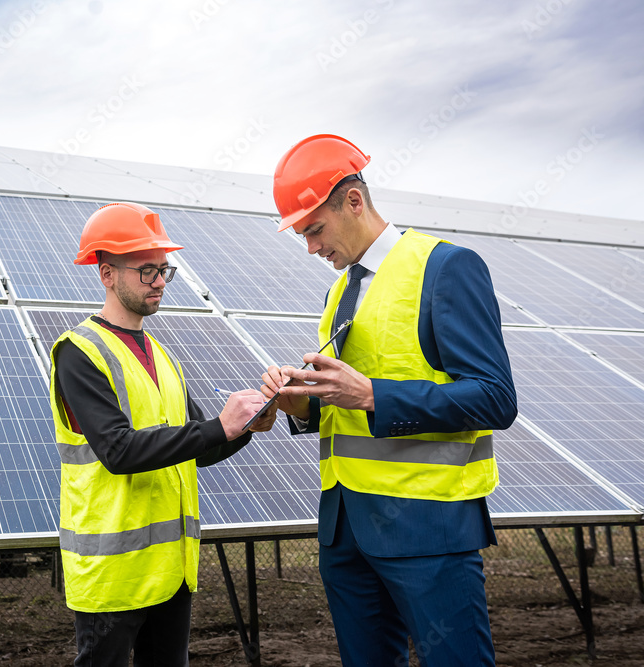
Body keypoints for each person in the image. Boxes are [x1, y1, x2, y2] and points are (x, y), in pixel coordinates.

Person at [260, 134, 517, 666]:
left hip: (427, 528)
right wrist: (302, 404)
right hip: (345, 531)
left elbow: (495, 398)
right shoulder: (341, 289)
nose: (310, 247)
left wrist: (374, 395)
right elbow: (345, 403)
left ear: (354, 200)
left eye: (314, 229)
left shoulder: (446, 268)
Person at [49, 201, 277, 666]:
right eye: (146, 270)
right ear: (106, 273)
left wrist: (244, 428)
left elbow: (201, 449)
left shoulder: (164, 356)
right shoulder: (79, 353)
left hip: (171, 571)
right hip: (113, 576)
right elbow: (118, 451)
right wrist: (218, 426)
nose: (159, 281)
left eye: (164, 270)